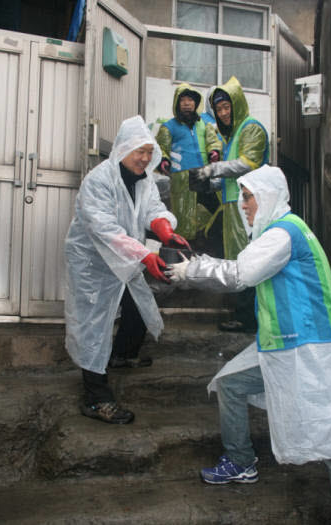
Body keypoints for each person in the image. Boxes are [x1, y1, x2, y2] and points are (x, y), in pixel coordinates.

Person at [167, 165, 331, 524]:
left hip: (308, 353)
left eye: (248, 197)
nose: (242, 205)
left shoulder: (283, 234)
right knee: (231, 384)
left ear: (267, 197)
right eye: (243, 197)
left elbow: (240, 274)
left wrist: (192, 270)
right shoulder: (283, 231)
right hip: (284, 347)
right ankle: (240, 462)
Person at [64, 115, 190, 425]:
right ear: (123, 149)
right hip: (93, 261)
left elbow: (153, 209)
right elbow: (104, 228)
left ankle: (122, 354)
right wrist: (146, 255)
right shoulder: (99, 179)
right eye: (140, 151)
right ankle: (95, 398)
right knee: (94, 323)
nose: (146, 158)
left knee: (137, 304)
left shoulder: (144, 179)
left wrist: (163, 228)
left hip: (126, 254)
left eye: (150, 152)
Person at [190, 76, 269, 332]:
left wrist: (212, 169)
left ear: (237, 105)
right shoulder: (233, 135)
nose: (223, 113)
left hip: (247, 207)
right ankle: (244, 314)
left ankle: (248, 318)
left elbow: (247, 164)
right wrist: (207, 183)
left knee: (246, 260)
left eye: (227, 107)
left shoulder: (251, 129)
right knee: (236, 259)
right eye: (219, 109)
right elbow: (228, 179)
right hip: (233, 206)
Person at [156, 83, 222, 243]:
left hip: (203, 175)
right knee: (184, 216)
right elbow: (160, 148)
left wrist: (214, 152)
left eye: (190, 100)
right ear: (177, 104)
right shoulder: (168, 127)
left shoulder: (205, 125)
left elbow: (213, 142)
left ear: (196, 103)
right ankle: (185, 246)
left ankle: (208, 239)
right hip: (182, 179)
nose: (187, 104)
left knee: (215, 210)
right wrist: (163, 160)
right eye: (183, 100)